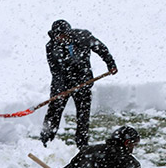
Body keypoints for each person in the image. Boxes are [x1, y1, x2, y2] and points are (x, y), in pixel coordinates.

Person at [41, 20, 118, 149]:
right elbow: (55, 70)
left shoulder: (84, 37)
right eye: (58, 36)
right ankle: (45, 139)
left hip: (83, 81)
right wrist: (62, 90)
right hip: (61, 84)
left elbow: (101, 49)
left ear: (69, 33)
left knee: (83, 115)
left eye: (64, 35)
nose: (61, 39)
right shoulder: (51, 46)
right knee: (53, 112)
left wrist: (110, 64)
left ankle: (82, 144)